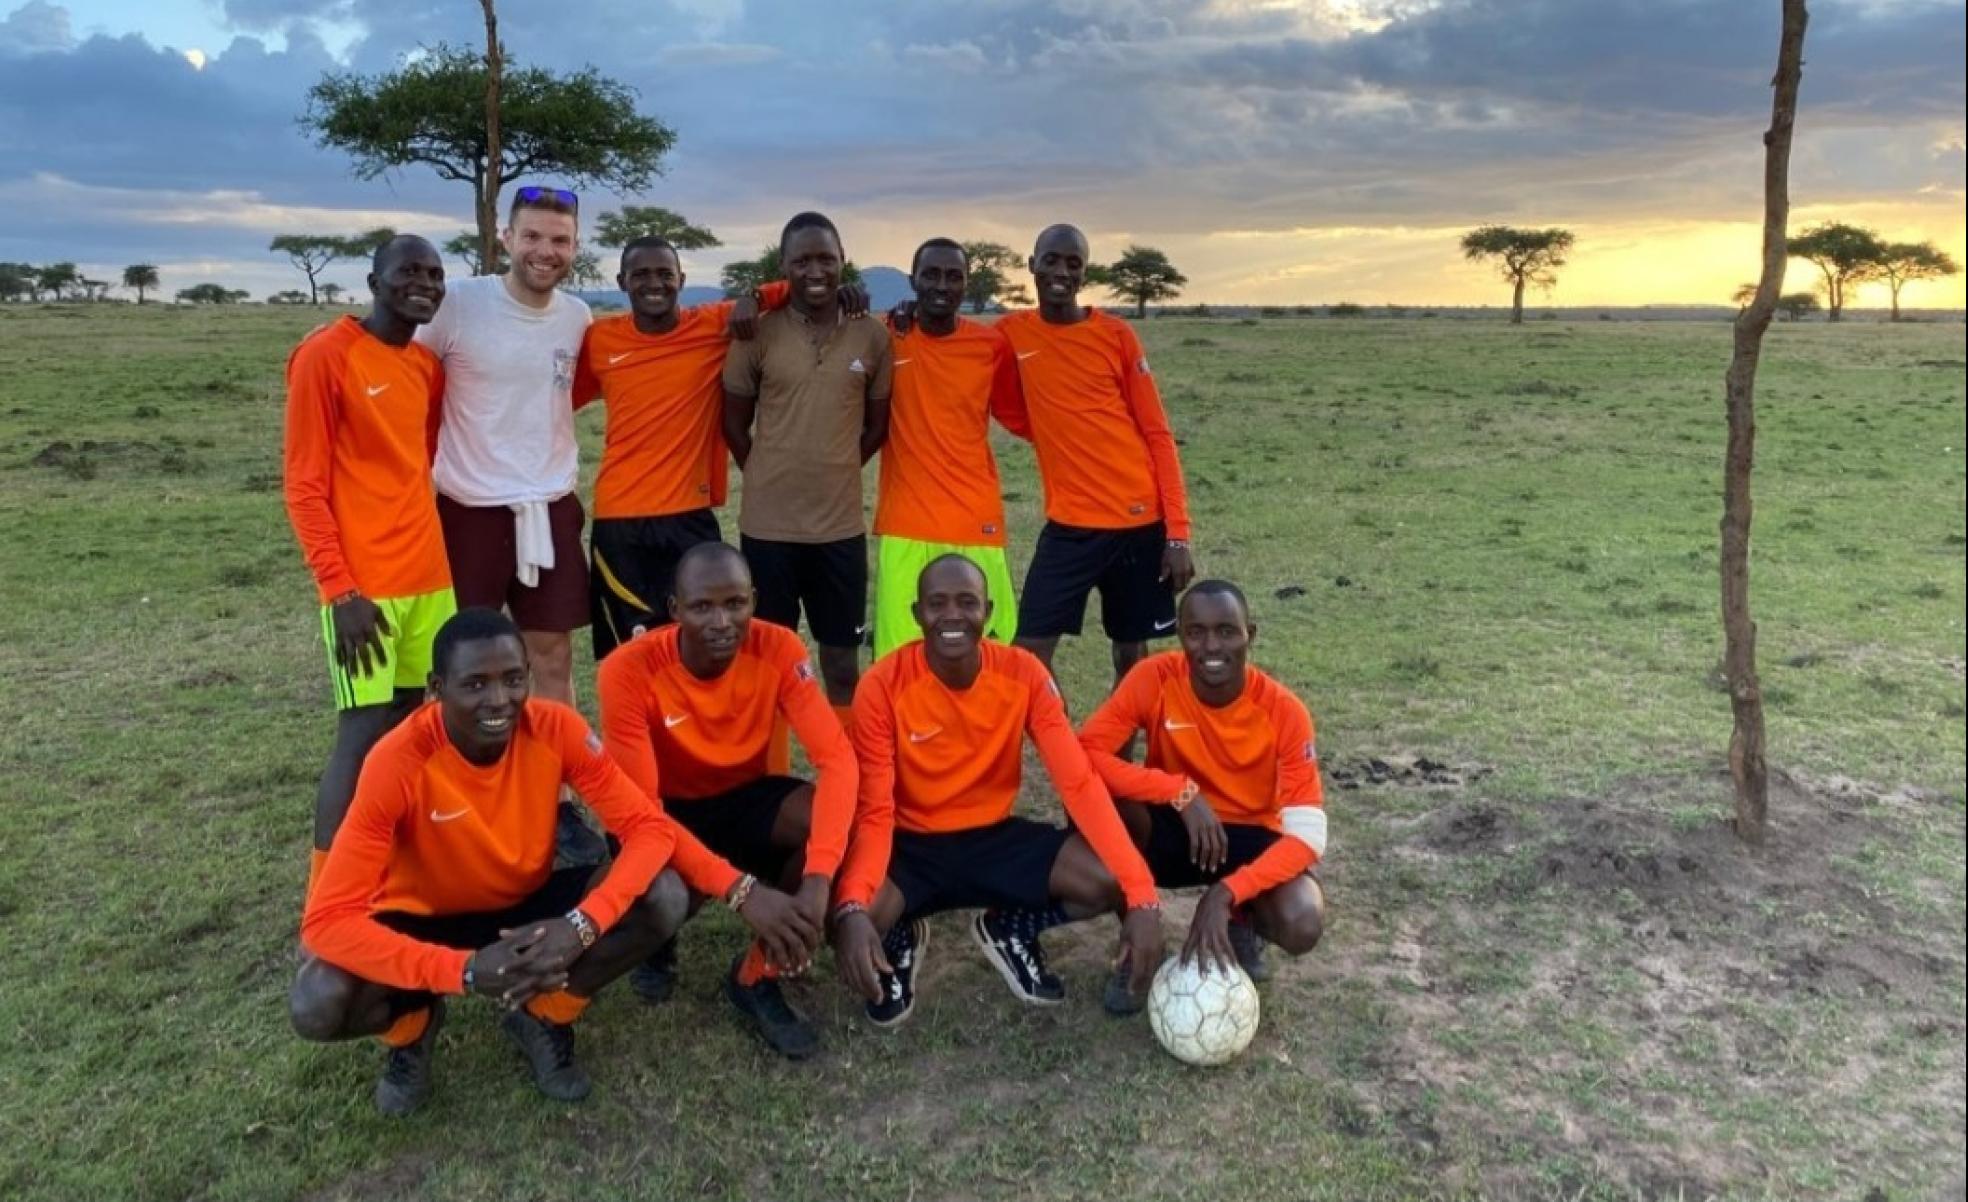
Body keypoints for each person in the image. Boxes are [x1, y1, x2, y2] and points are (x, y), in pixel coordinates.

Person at [290, 609, 688, 1114]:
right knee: (316, 1000)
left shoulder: (555, 727)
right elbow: (326, 922)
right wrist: (467, 971)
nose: (499, 700)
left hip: (527, 907)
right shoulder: (397, 759)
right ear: (437, 687)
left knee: (665, 894)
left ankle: (544, 1015)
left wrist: (581, 927)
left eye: (513, 679)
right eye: (475, 684)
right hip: (425, 921)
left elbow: (649, 830)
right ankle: (411, 1028)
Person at [832, 554, 1164, 1029]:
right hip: (909, 846)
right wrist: (852, 904)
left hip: (993, 838)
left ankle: (1009, 928)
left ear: (987, 611)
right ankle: (900, 936)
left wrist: (1142, 896)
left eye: (967, 603)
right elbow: (876, 811)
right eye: (937, 604)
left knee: (1105, 879)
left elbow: (1078, 782)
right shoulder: (882, 685)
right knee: (843, 918)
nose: (952, 616)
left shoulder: (1023, 674)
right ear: (916, 614)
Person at [596, 542, 857, 1059]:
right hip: (662, 814)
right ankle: (657, 942)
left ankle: (758, 974)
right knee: (664, 895)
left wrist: (819, 881)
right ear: (674, 610)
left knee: (829, 822)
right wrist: (744, 894)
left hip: (743, 798)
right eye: (702, 607)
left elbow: (839, 762)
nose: (722, 621)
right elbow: (643, 816)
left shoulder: (779, 648)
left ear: (754, 600)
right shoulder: (627, 670)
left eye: (735, 603)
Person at [416, 186, 599, 861]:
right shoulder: (459, 306)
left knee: (551, 656)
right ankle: (455, 794)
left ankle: (557, 799)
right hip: (467, 506)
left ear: (575, 247)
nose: (545, 252)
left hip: (548, 507)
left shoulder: (577, 318)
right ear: (506, 238)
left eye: (560, 241)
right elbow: (398, 363)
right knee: (462, 661)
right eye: (533, 237)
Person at [578, 238, 862, 658]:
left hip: (692, 518)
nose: (653, 283)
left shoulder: (712, 326)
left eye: (664, 274)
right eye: (640, 274)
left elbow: (794, 286)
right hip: (623, 521)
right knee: (637, 655)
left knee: (705, 648)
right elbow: (553, 397)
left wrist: (834, 292)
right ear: (622, 281)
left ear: (682, 280)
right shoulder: (599, 341)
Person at [282, 233, 453, 894]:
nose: (425, 284)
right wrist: (340, 589)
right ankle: (327, 900)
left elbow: (419, 464)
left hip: (429, 577)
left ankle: (397, 870)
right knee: (361, 728)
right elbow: (303, 484)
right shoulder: (326, 354)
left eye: (435, 274)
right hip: (366, 590)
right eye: (409, 271)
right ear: (374, 280)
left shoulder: (425, 366)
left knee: (414, 724)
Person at [1077, 580, 1327, 1012]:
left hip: (1249, 838)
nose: (1211, 646)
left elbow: (1308, 839)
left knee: (1302, 920)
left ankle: (1240, 919)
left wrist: (1227, 893)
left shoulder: (1285, 711)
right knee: (1098, 801)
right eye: (1197, 632)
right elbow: (1082, 757)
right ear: (1181, 635)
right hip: (1175, 825)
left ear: (1251, 633)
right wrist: (1178, 790)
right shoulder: (1154, 678)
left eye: (1227, 631)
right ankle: (1138, 938)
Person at [998, 223, 1196, 687]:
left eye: (1073, 263)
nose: (1061, 272)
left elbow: (1158, 435)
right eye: (1051, 260)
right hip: (1069, 527)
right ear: (1032, 265)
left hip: (1137, 522)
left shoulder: (1117, 335)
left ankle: (1117, 755)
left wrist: (1178, 535)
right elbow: (1005, 406)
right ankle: (1067, 752)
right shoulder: (1012, 333)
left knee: (1132, 654)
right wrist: (1052, 432)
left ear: (1084, 273)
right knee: (1029, 654)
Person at [721, 211, 892, 719]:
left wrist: (838, 469)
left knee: (841, 662)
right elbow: (733, 426)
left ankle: (846, 778)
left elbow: (876, 429)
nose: (815, 271)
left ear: (844, 262)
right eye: (802, 260)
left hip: (839, 531)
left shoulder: (872, 337)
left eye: (826, 258)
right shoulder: (756, 332)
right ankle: (767, 779)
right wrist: (766, 473)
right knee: (767, 662)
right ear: (784, 266)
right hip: (768, 531)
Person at [870, 238, 1028, 660]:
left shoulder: (989, 347)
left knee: (991, 650)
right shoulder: (886, 334)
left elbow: (1024, 419)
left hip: (974, 520)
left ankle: (988, 728)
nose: (942, 285)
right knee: (900, 657)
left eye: (953, 276)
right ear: (912, 280)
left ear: (966, 284)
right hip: (907, 521)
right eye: (931, 275)